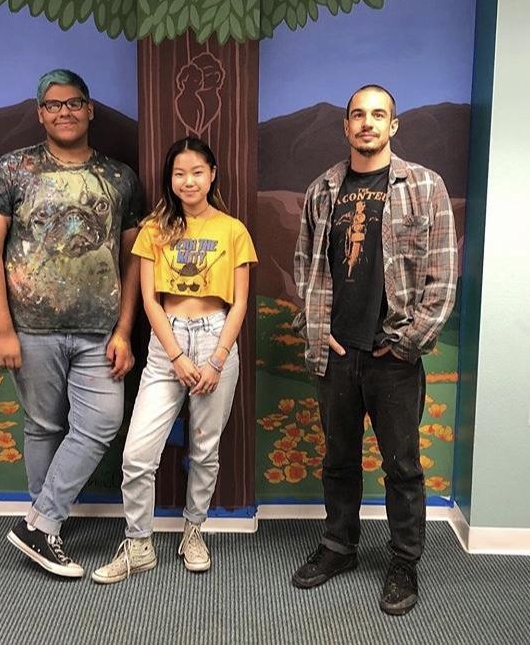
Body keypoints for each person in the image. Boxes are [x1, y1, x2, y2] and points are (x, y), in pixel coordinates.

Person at [291, 85, 457, 615]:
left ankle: (404, 562)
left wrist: (408, 342)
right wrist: (315, 328)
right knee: (338, 460)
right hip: (336, 354)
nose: (368, 123)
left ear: (393, 125)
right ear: (346, 126)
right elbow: (305, 266)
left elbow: (442, 276)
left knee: (402, 466)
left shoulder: (425, 186)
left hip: (394, 357)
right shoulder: (322, 190)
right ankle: (339, 547)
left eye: (378, 115)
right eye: (358, 115)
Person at [0, 69, 143, 578]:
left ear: (89, 109)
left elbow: (133, 258)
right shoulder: (12, 169)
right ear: (40, 113)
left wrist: (124, 330)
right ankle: (46, 530)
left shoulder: (120, 176)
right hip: (31, 327)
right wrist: (1, 329)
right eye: (53, 104)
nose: (64, 112)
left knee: (102, 422)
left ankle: (38, 524)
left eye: (73, 103)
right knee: (43, 426)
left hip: (100, 329)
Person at [92, 136, 257, 584]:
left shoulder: (233, 230)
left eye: (197, 172)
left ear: (212, 174)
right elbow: (149, 299)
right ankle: (138, 544)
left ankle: (193, 531)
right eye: (179, 173)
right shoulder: (155, 229)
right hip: (168, 342)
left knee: (205, 450)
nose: (188, 181)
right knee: (137, 454)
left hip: (217, 338)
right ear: (170, 178)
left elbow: (240, 302)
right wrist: (177, 356)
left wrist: (217, 359)